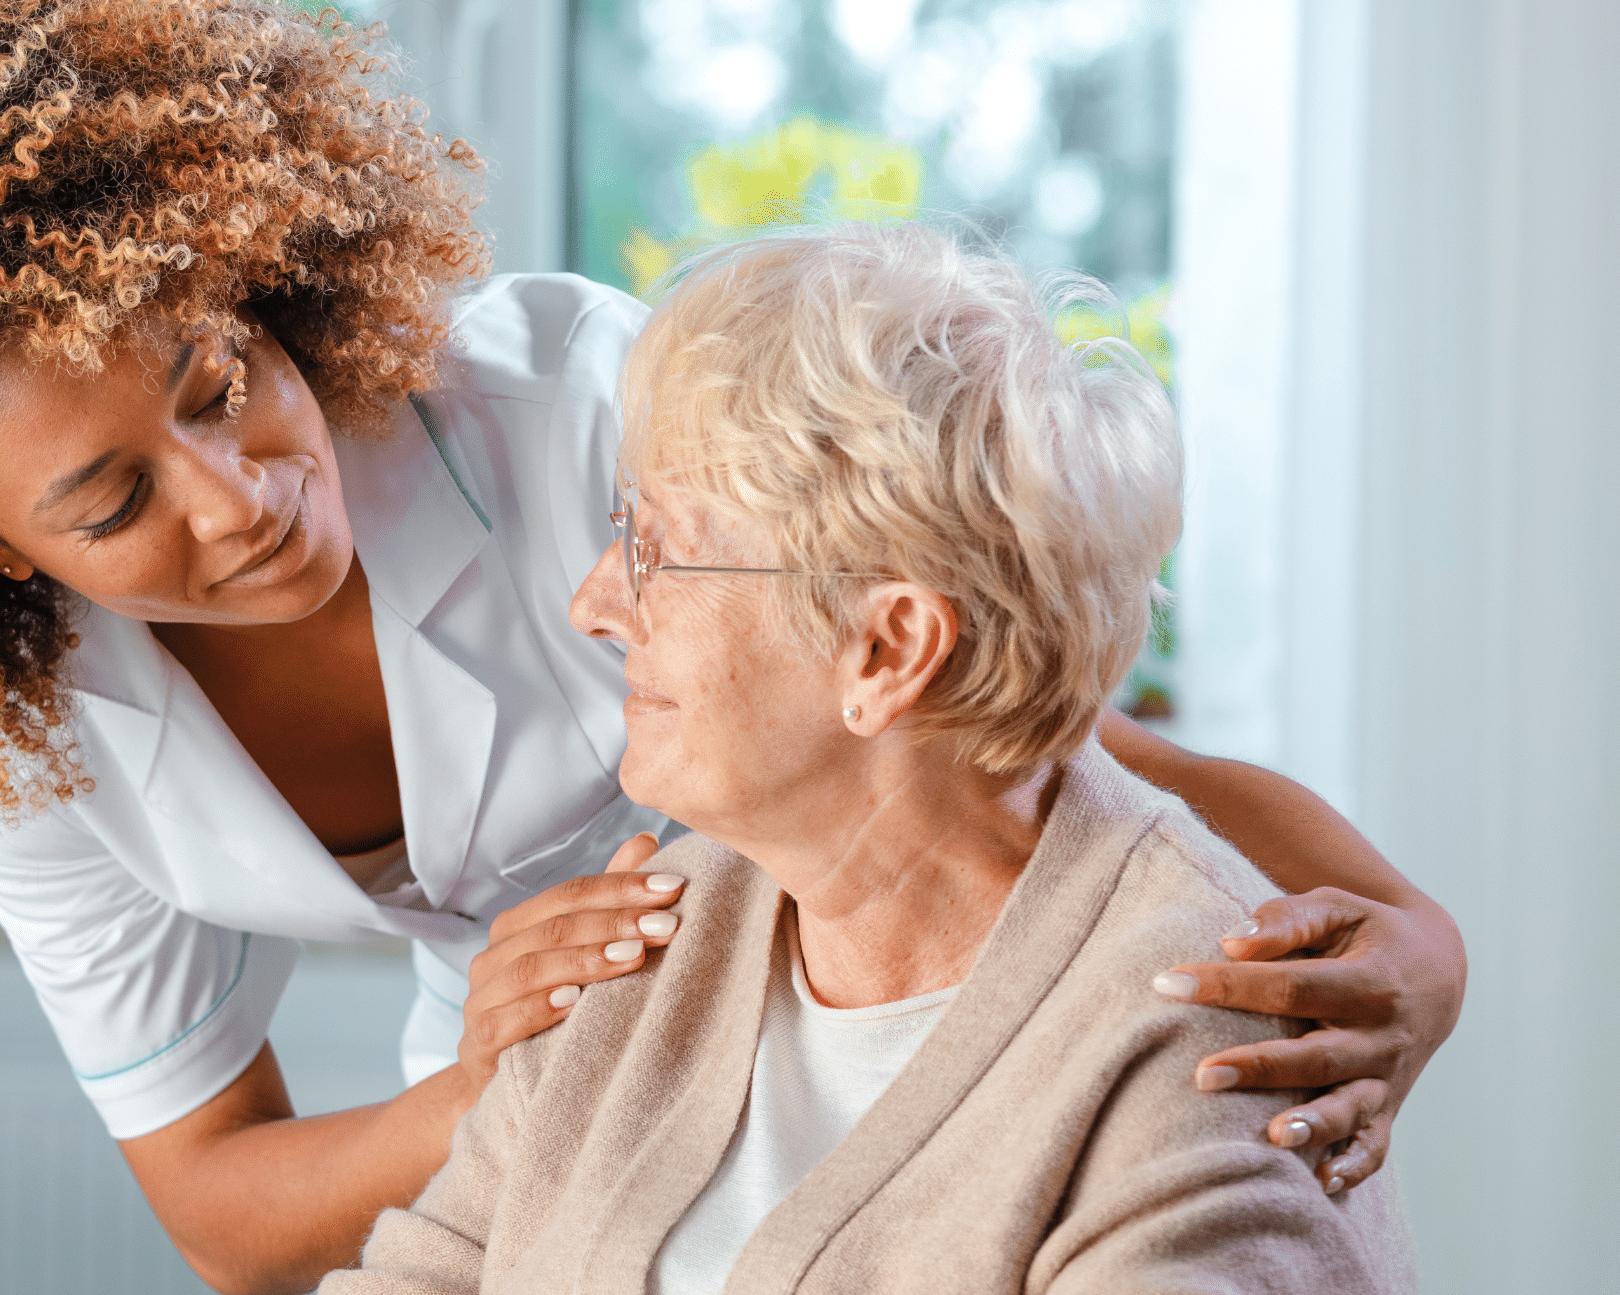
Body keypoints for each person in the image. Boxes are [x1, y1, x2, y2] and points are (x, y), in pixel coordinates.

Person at [0, 0, 1459, 1295]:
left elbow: (1018, 718)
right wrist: (493, 1071)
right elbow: (227, 1205)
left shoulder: (575, 412)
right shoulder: (24, 733)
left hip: (868, 974)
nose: (246, 496)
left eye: (221, 378)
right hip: (568, 1070)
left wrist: (1408, 932)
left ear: (255, 276)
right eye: (113, 503)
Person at [326, 223, 1416, 1294]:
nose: (595, 601)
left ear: (886, 649)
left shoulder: (1203, 1062)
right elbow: (430, 1270)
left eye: (657, 547)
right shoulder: (650, 928)